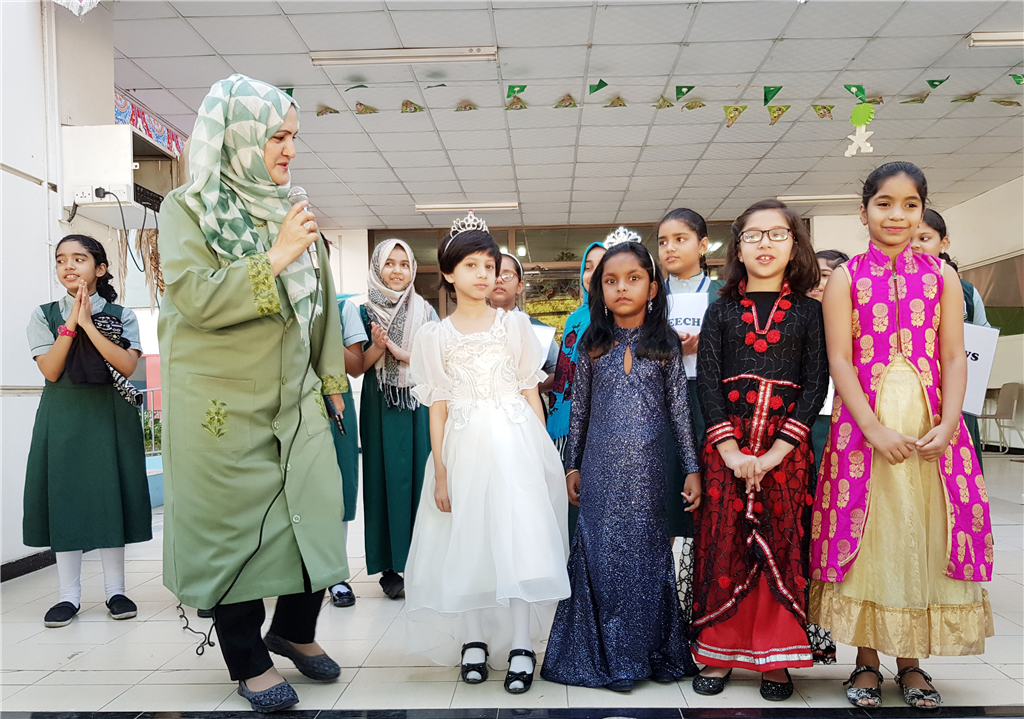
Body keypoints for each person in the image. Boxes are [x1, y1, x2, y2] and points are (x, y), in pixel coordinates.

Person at [158, 75, 350, 713]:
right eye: (277, 136)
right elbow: (194, 296)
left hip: (296, 396)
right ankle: (247, 659)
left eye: (294, 136)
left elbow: (321, 301)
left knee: (316, 510)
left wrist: (331, 378)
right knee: (232, 530)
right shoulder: (188, 207)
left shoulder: (291, 207)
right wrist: (275, 256)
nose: (290, 149)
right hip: (222, 403)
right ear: (238, 135)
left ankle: (293, 629)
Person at [811, 162, 994, 710]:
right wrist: (871, 427)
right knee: (872, 537)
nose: (897, 215)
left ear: (922, 211)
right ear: (863, 211)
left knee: (927, 534)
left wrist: (950, 422)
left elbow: (954, 356)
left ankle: (912, 663)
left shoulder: (943, 277)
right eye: (884, 204)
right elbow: (840, 359)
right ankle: (867, 661)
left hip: (931, 426)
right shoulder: (845, 278)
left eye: (910, 205)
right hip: (863, 431)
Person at [405, 213, 570, 695]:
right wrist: (440, 472)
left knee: (519, 541)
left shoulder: (513, 325)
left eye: (490, 265)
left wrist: (543, 454)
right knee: (468, 540)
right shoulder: (434, 336)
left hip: (515, 446)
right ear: (449, 273)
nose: (484, 274)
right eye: (471, 265)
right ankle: (473, 639)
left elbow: (530, 392)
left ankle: (521, 644)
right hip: (463, 448)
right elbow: (437, 408)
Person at [541, 240, 701, 692]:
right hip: (599, 469)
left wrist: (692, 467)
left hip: (650, 471)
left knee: (647, 558)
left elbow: (679, 413)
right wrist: (571, 466)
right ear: (600, 291)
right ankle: (611, 658)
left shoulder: (665, 344)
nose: (622, 288)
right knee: (602, 557)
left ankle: (645, 653)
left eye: (633, 279)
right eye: (610, 281)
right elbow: (580, 410)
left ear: (652, 287)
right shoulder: (593, 344)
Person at [691, 199, 831, 701]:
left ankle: (777, 657)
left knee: (783, 543)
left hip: (786, 454)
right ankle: (719, 652)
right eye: (753, 235)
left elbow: (815, 385)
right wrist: (730, 452)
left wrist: (775, 454)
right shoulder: (720, 310)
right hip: (725, 451)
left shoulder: (811, 312)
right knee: (723, 543)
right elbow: (707, 383)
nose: (765, 244)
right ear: (738, 248)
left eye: (777, 234)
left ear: (795, 244)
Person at [25, 235, 151, 628]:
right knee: (65, 498)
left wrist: (87, 324)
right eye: (61, 259)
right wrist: (69, 325)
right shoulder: (43, 315)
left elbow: (127, 366)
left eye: (79, 259)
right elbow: (51, 370)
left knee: (110, 497)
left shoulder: (121, 314)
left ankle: (116, 591)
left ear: (100, 268)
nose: (68, 266)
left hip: (110, 415)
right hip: (62, 417)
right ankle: (69, 596)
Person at [354, 239, 438, 601]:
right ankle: (390, 567)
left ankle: (424, 562)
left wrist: (403, 354)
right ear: (377, 267)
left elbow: (437, 361)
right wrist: (378, 346)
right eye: (390, 263)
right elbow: (357, 366)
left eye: (404, 264)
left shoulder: (426, 312)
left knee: (421, 478)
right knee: (381, 480)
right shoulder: (361, 312)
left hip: (417, 403)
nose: (398, 270)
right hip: (380, 403)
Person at [912, 208, 990, 472]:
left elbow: (981, 340)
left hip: (958, 393)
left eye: (924, 238)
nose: (915, 246)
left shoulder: (965, 291)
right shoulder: (889, 287)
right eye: (909, 239)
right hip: (914, 391)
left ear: (943, 243)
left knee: (959, 464)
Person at [546, 241, 606, 538]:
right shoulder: (575, 319)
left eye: (601, 266)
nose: (592, 274)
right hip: (569, 424)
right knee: (573, 506)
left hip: (606, 425)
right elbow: (563, 374)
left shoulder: (622, 316)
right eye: (588, 267)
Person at [326, 294, 369, 609]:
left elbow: (355, 366)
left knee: (340, 485)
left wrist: (322, 335)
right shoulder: (275, 298)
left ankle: (336, 573)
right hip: (288, 403)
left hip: (335, 406)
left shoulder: (342, 308)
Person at [490, 252, 558, 396]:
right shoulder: (471, 328)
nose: (499, 280)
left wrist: (526, 384)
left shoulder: (538, 330)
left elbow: (558, 374)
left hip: (528, 405)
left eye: (507, 275)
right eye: (493, 274)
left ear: (520, 286)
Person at [807, 250, 850, 473]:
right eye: (810, 274)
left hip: (845, 411)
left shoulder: (856, 321)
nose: (815, 281)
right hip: (807, 416)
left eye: (824, 275)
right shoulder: (798, 320)